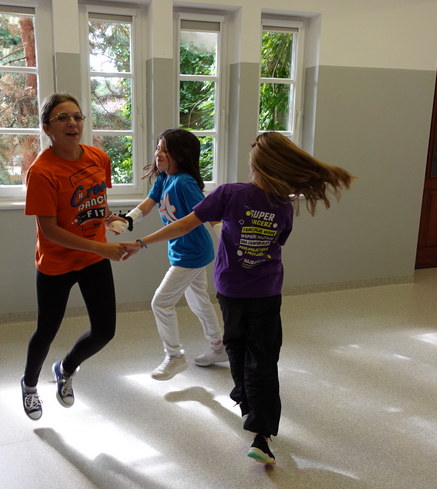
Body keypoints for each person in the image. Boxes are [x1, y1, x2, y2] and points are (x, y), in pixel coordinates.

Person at [122, 132, 355, 464]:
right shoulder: (283, 207)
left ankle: (248, 406)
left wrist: (141, 243)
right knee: (262, 359)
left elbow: (186, 225)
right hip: (266, 293)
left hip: (231, 292)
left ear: (255, 164)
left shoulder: (229, 193)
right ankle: (260, 431)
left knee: (238, 348)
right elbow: (279, 241)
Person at [20, 93, 126, 420]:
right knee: (46, 331)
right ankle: (29, 385)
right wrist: (101, 247)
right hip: (57, 264)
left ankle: (65, 368)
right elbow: (50, 231)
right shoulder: (42, 172)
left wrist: (108, 218)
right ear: (47, 128)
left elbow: (95, 200)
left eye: (77, 117)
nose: (72, 123)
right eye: (62, 118)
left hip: (92, 260)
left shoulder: (98, 158)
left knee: (105, 331)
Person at [110, 129, 225, 380]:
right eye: (158, 147)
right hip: (183, 250)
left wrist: (222, 234)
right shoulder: (164, 179)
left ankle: (174, 355)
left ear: (181, 155)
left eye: (165, 149)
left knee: (161, 303)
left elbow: (206, 211)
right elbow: (148, 204)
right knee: (198, 301)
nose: (158, 153)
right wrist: (126, 221)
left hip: (192, 253)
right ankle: (218, 346)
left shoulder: (184, 182)